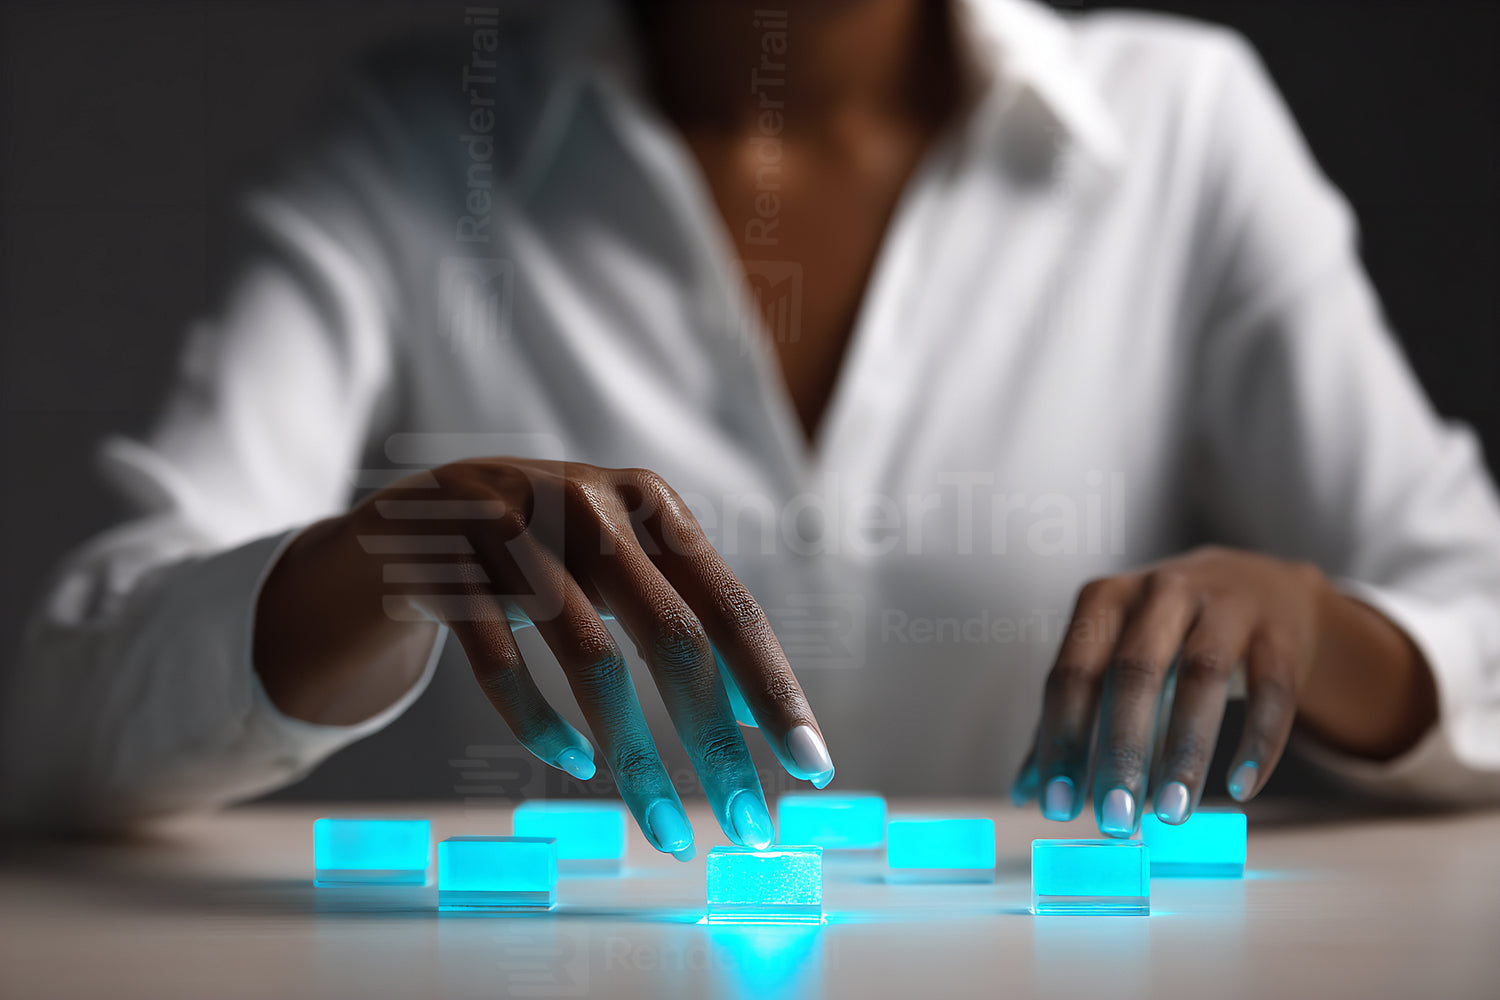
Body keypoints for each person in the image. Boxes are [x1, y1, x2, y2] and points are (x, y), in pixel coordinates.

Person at [5, 0, 1500, 857]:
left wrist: (1314, 624)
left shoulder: (1184, 119)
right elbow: (63, 719)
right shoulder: (413, 144)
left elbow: (1475, 613)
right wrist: (390, 557)